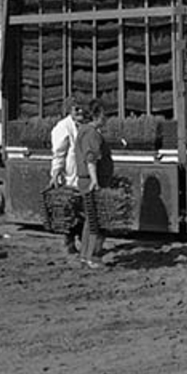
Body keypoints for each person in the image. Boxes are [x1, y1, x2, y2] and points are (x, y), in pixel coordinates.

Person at [76, 98, 115, 269]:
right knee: (95, 220)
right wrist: (95, 181)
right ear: (97, 115)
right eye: (104, 115)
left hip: (87, 181)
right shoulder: (91, 134)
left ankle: (85, 256)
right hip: (90, 182)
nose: (106, 119)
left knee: (90, 220)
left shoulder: (85, 131)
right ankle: (91, 256)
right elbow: (90, 158)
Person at [48, 95, 87, 253]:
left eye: (81, 108)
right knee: (71, 210)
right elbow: (59, 153)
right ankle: (69, 243)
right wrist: (56, 173)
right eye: (76, 109)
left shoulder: (84, 125)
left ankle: (83, 243)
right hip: (70, 175)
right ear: (69, 110)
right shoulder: (63, 127)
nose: (80, 111)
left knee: (83, 209)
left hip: (82, 174)